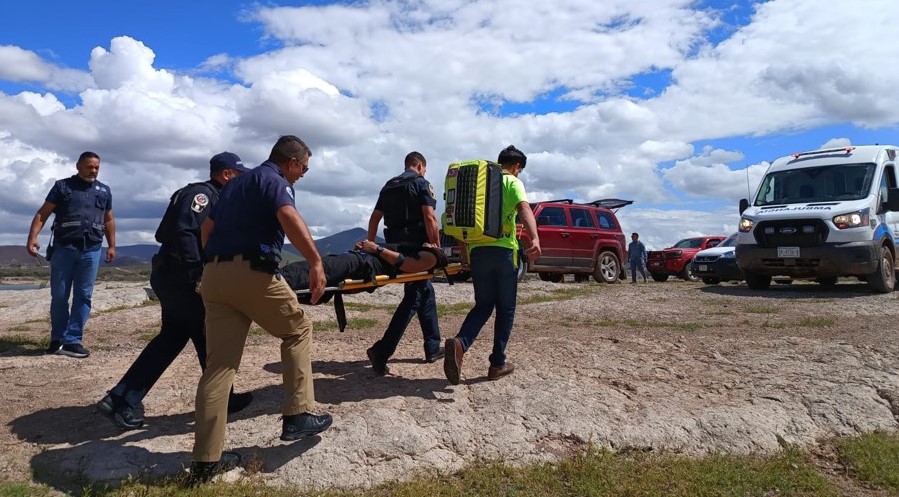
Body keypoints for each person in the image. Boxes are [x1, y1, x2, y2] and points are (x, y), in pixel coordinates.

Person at [188, 135, 332, 485]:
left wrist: (221, 264)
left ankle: (207, 460)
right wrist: (315, 261)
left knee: (219, 367)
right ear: (293, 162)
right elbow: (287, 215)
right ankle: (298, 415)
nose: (302, 175)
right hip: (251, 271)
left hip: (214, 276)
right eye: (304, 169)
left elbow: (207, 230)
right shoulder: (274, 180)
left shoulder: (234, 186)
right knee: (297, 330)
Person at [97, 152, 254, 431]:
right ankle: (121, 399)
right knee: (203, 338)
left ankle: (220, 398)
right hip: (182, 278)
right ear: (227, 174)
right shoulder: (202, 195)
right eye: (239, 176)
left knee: (185, 337)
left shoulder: (215, 196)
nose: (241, 181)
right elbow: (184, 233)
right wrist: (197, 276)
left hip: (176, 276)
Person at [443, 145, 541, 385]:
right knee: (506, 308)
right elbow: (524, 208)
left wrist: (466, 253)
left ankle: (460, 343)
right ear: (516, 166)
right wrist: (535, 238)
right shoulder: (512, 182)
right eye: (520, 169)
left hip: (478, 252)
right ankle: (497, 363)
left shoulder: (479, 186)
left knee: (483, 305)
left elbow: (462, 221)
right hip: (504, 252)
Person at [26, 151, 115, 359]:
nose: (93, 170)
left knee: (84, 295)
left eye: (96, 167)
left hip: (92, 248)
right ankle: (57, 339)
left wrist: (111, 245)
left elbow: (108, 219)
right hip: (64, 248)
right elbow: (43, 213)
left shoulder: (104, 190)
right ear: (78, 166)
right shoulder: (62, 187)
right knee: (59, 295)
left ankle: (73, 341)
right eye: (89, 166)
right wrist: (32, 238)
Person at [364, 151, 443, 376]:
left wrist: (372, 246)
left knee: (424, 291)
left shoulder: (388, 186)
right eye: (424, 169)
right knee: (415, 297)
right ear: (419, 166)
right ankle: (382, 350)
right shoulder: (421, 184)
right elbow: (429, 217)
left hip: (394, 250)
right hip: (417, 251)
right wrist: (435, 247)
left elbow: (374, 218)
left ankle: (432, 347)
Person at [281, 240, 447, 300]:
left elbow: (405, 264)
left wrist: (376, 248)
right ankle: (277, 279)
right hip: (361, 260)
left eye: (436, 246)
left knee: (323, 269)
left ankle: (277, 281)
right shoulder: (422, 250)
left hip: (363, 265)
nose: (433, 244)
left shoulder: (431, 257)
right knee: (321, 267)